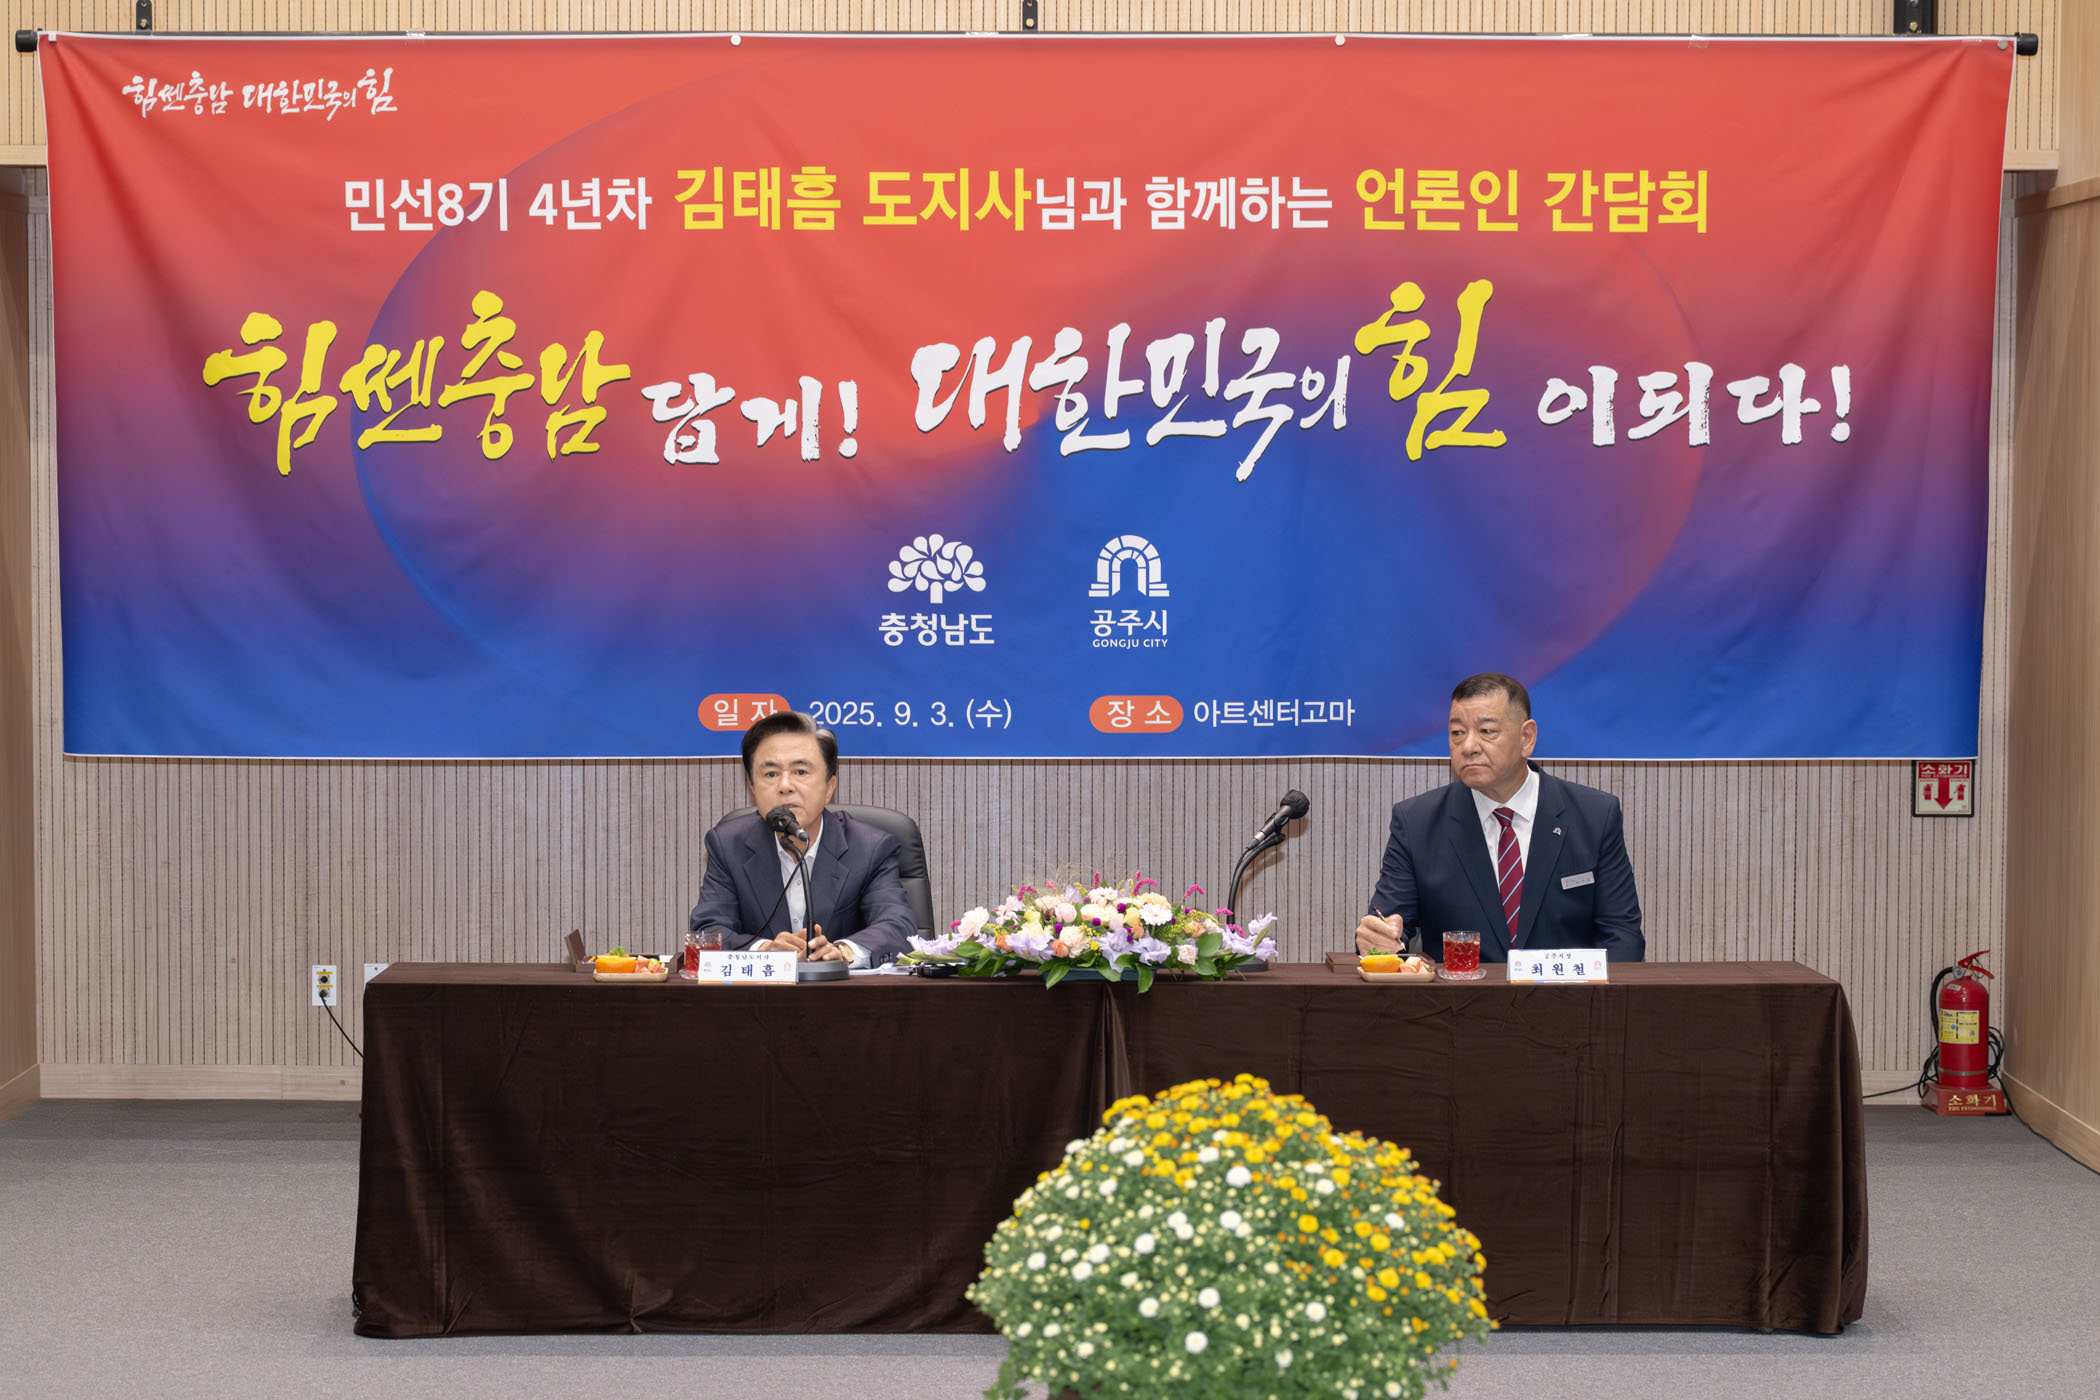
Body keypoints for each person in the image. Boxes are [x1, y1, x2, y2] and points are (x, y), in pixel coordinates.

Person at [1356, 673, 1645, 963]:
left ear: (1526, 738)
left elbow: (1622, 936)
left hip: (1566, 990)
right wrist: (1378, 940)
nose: (1468, 746)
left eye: (1487, 731)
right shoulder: (1417, 823)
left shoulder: (1594, 816)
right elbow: (1389, 927)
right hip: (1459, 992)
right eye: (1457, 733)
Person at [689, 710, 916, 966]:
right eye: (771, 774)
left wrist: (843, 951)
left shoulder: (870, 848)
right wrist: (764, 950)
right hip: (759, 990)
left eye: (800, 772)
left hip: (842, 990)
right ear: (752, 786)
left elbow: (897, 926)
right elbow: (708, 930)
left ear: (829, 787)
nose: (785, 786)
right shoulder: (727, 845)